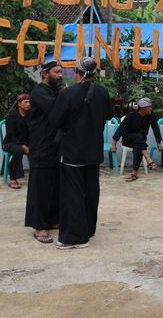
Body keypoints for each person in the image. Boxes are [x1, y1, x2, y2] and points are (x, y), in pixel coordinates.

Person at [49, 57, 113, 250]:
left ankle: (74, 237)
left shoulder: (69, 93)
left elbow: (55, 120)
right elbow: (109, 115)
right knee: (91, 190)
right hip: (94, 150)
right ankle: (88, 229)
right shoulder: (102, 93)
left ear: (78, 73)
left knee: (72, 193)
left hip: (73, 151)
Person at [25, 60, 63, 244]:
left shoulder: (53, 92)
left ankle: (52, 219)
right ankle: (39, 226)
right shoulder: (39, 92)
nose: (60, 75)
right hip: (41, 146)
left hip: (54, 147)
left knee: (54, 185)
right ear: (45, 73)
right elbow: (56, 111)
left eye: (61, 72)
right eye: (57, 72)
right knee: (40, 187)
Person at [113, 97, 163, 182]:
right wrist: (113, 144)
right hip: (128, 139)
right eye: (149, 107)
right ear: (143, 108)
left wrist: (159, 143)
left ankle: (134, 173)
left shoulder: (151, 115)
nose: (151, 109)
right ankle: (149, 160)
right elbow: (120, 129)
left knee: (139, 145)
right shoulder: (131, 116)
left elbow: (156, 129)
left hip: (140, 141)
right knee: (139, 138)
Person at [3, 93, 31, 189]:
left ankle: (37, 175)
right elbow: (10, 135)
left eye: (29, 102)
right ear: (19, 104)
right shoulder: (12, 117)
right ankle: (13, 178)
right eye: (25, 102)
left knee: (40, 147)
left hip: (26, 143)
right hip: (11, 142)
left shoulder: (30, 117)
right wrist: (22, 145)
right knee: (18, 150)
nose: (28, 104)